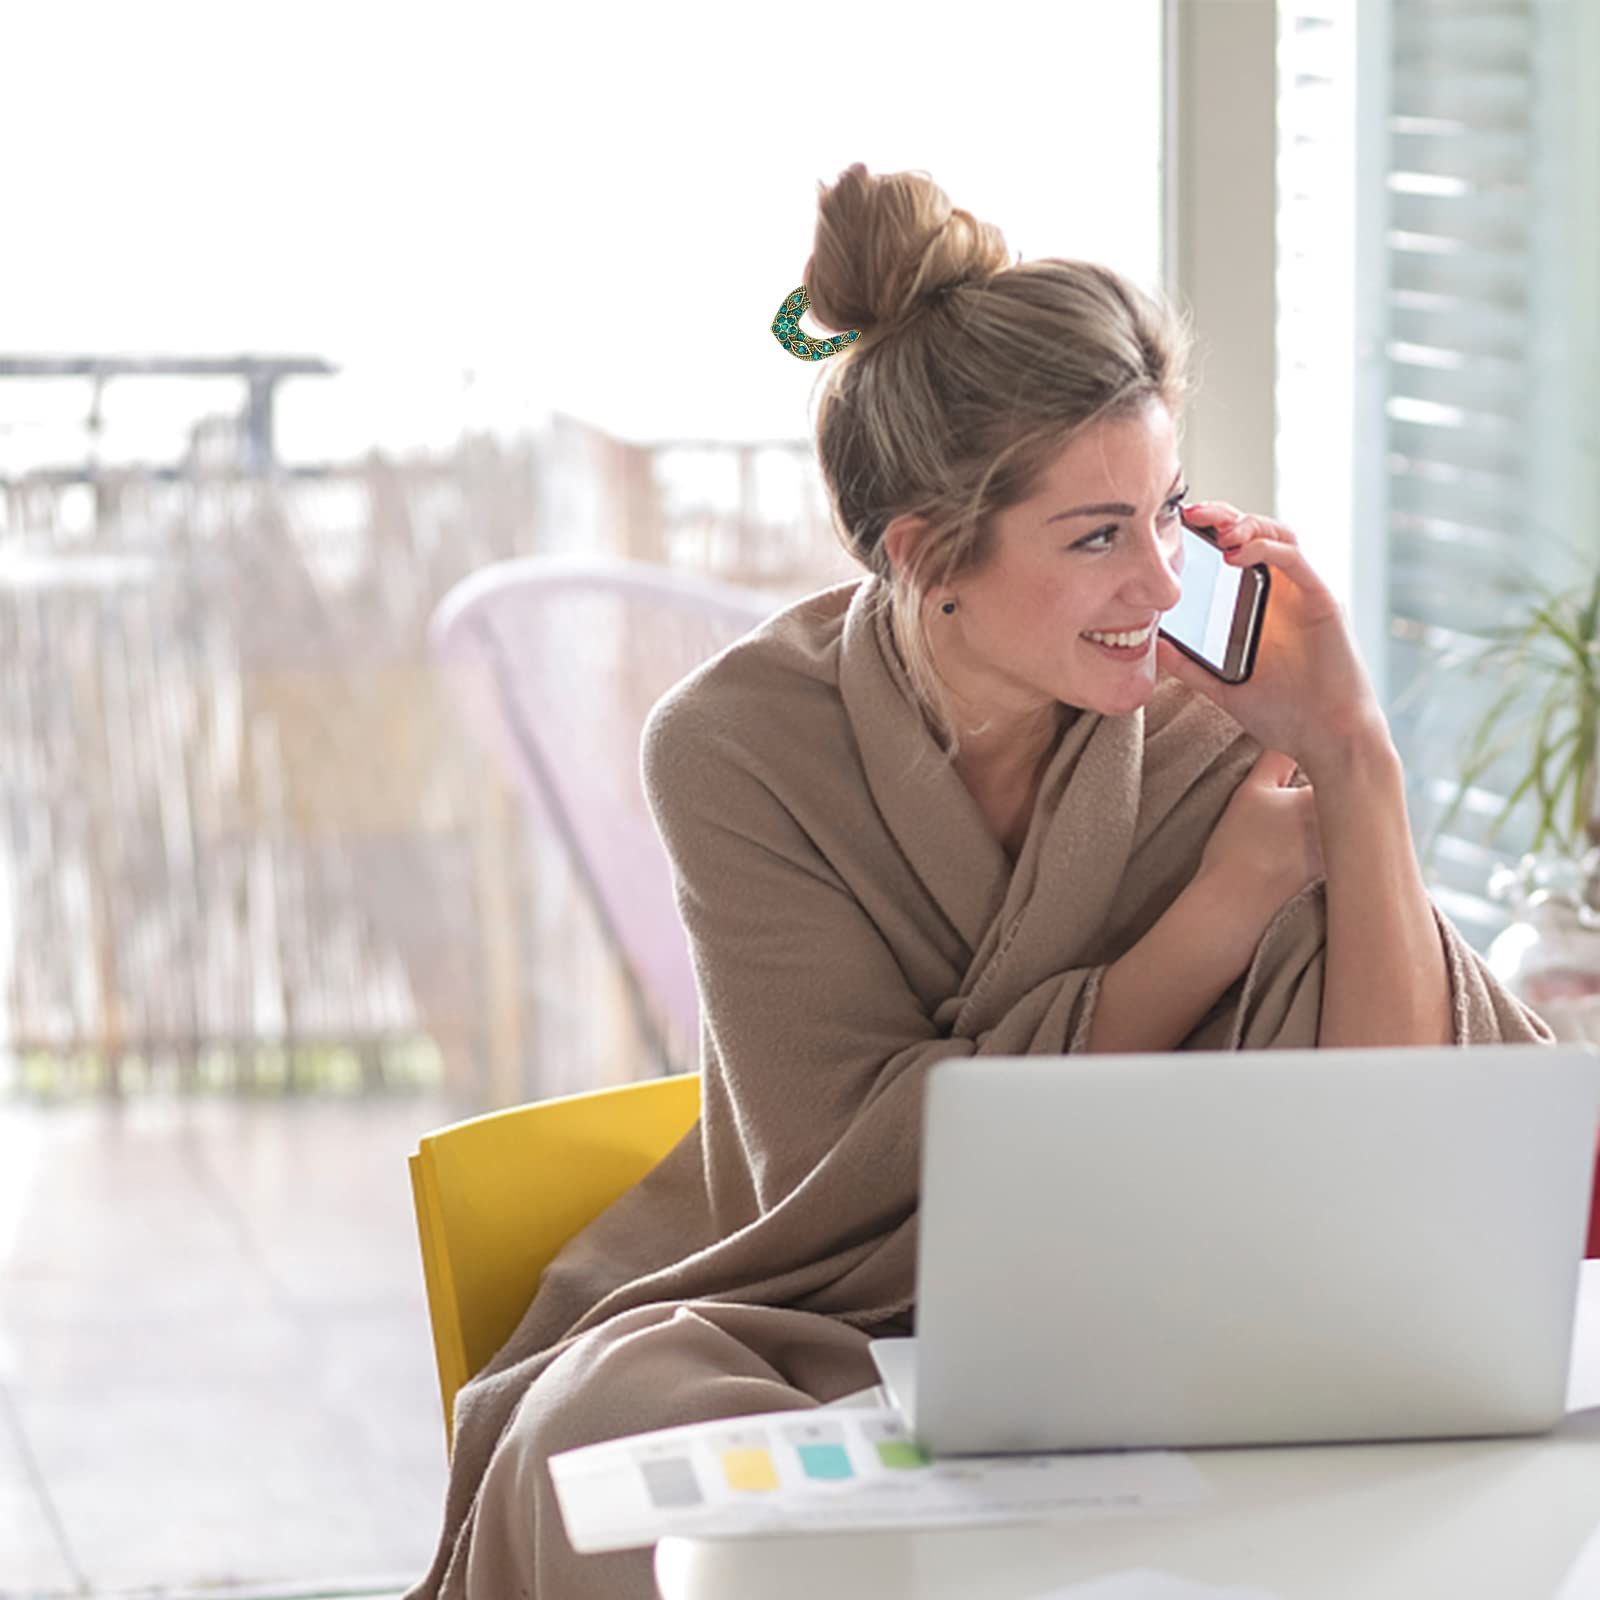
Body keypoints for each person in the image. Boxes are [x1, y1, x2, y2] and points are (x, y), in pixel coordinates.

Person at [403, 162, 1553, 1600]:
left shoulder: (1209, 722)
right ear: (927, 556)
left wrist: (1352, 754)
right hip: (814, 1303)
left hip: (1162, 1311)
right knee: (600, 1440)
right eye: (1094, 537)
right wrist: (1211, 921)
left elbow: (1393, 1143)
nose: (1158, 583)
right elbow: (847, 1164)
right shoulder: (737, 746)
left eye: (1166, 510)